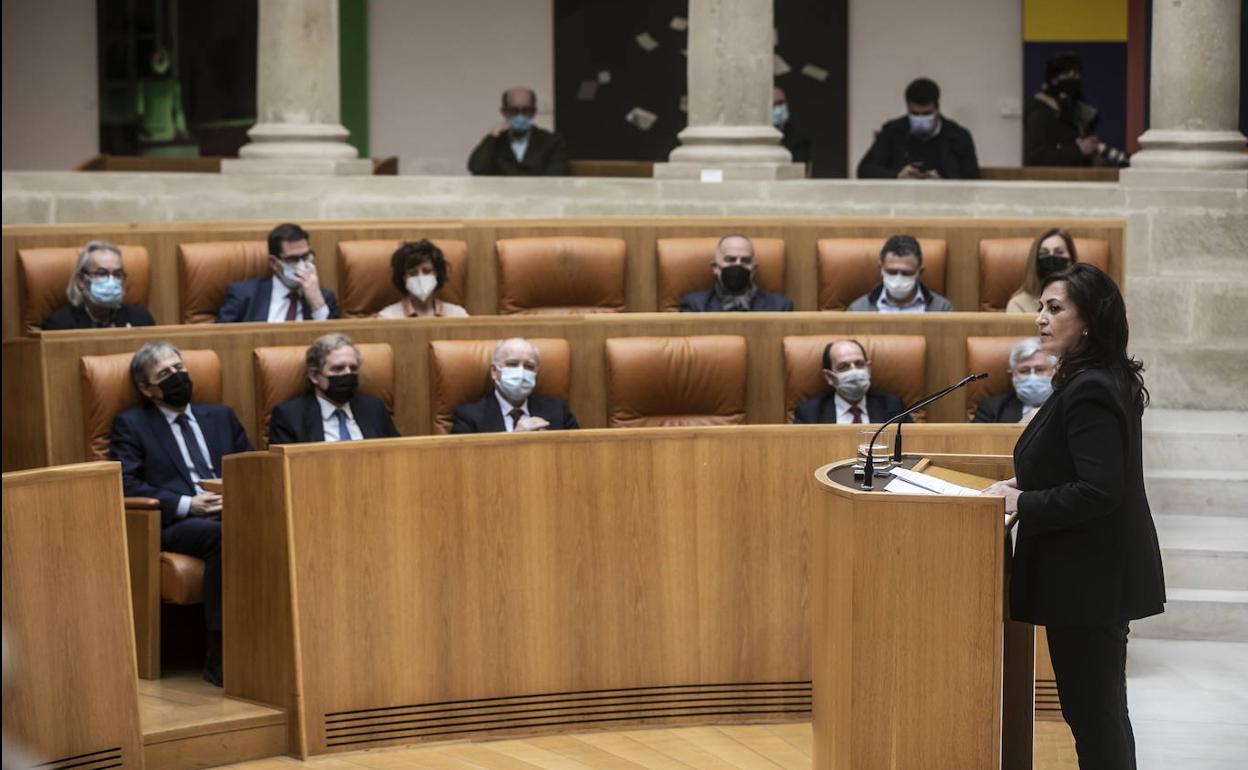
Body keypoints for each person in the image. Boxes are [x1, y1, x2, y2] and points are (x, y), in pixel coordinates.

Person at [984, 263, 1165, 770]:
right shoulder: (1090, 379)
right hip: (1091, 578)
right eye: (1040, 306)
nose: (1041, 318)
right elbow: (1080, 465)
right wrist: (1025, 484)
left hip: (1090, 581)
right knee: (1097, 710)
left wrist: (1022, 501)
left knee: (1096, 714)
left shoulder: (1090, 389)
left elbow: (1099, 489)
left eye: (1055, 308)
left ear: (1088, 320)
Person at [109, 342, 253, 687]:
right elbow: (125, 483)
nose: (177, 377)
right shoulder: (132, 424)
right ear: (146, 389)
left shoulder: (221, 416)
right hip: (174, 522)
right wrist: (189, 503)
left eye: (178, 368)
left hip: (233, 510)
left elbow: (251, 467)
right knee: (223, 536)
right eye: (164, 374)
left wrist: (235, 497)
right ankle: (221, 653)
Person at [268, 333, 401, 445]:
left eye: (353, 368)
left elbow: (397, 456)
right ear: (314, 376)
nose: (348, 374)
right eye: (338, 369)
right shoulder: (290, 417)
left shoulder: (374, 409)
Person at [857, 78, 980, 180]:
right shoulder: (893, 131)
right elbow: (864, 170)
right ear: (907, 109)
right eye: (915, 114)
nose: (921, 119)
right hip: (901, 201)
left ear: (937, 109)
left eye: (927, 114)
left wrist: (943, 183)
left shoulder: (958, 136)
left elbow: (972, 180)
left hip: (944, 201)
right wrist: (897, 176)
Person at [451, 338, 579, 433]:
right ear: (494, 372)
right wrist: (514, 440)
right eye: (512, 364)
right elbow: (465, 464)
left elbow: (578, 456)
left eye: (529, 366)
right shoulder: (468, 417)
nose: (521, 372)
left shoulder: (558, 411)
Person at [216, 223, 339, 323]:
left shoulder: (325, 299)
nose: (301, 265)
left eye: (306, 257)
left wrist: (316, 304)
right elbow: (220, 339)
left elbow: (333, 347)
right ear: (274, 263)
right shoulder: (244, 294)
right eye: (293, 259)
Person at [41, 241, 157, 330]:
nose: (111, 281)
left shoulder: (141, 320)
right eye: (102, 274)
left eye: (117, 274)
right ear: (81, 281)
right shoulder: (60, 325)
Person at [793, 339, 910, 424]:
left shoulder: (893, 407)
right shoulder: (810, 414)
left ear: (868, 369)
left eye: (859, 364)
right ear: (829, 377)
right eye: (843, 367)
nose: (854, 371)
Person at [1024, 53, 1104, 167]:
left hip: (1077, 180)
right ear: (1054, 80)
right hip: (1051, 181)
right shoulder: (1040, 109)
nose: (1075, 79)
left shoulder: (1076, 110)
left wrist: (1091, 157)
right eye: (1068, 75)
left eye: (1077, 75)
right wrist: (1078, 151)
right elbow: (1036, 158)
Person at [467, 87, 569, 176]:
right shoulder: (496, 142)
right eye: (513, 111)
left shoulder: (552, 142)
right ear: (504, 112)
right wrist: (492, 136)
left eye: (526, 111)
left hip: (538, 196)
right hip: (503, 196)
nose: (520, 116)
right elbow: (476, 168)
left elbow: (554, 177)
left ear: (534, 112)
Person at [679, 234, 794, 312]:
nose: (738, 265)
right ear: (715, 268)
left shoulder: (780, 307)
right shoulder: (694, 305)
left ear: (753, 270)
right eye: (730, 260)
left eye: (745, 260)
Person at [847, 235, 954, 312]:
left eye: (906, 273)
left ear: (919, 272)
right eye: (892, 272)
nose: (898, 278)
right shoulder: (858, 309)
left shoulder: (942, 309)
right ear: (881, 269)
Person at [375, 240, 469, 318]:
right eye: (412, 273)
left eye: (427, 271)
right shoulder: (388, 317)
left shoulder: (458, 315)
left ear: (437, 273)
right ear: (403, 278)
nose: (420, 278)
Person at [972, 337, 1056, 423]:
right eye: (1024, 371)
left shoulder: (1067, 405)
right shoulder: (991, 408)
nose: (1032, 377)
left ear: (1054, 372)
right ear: (1012, 375)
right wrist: (1019, 427)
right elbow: (976, 436)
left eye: (1040, 370)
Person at [1007, 229, 1080, 314]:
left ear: (1071, 261)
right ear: (1036, 262)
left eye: (1059, 252)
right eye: (1044, 253)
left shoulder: (1084, 300)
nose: (1052, 258)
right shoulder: (1018, 305)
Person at [773, 87, 812, 167]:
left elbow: (799, 170)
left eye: (780, 103)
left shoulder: (799, 141)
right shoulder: (754, 140)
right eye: (773, 105)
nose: (777, 109)